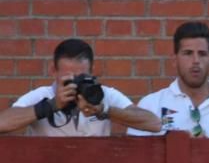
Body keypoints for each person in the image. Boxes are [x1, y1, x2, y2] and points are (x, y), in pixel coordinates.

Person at [0, 38, 160, 136]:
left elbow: (154, 123)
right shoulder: (43, 95)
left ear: (92, 71)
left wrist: (104, 110)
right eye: (68, 77)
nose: (75, 83)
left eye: (81, 77)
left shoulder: (103, 94)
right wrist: (50, 106)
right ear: (53, 71)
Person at [128, 21, 209, 138]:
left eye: (202, 54)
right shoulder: (150, 105)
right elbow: (135, 157)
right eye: (188, 53)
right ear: (174, 59)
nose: (196, 61)